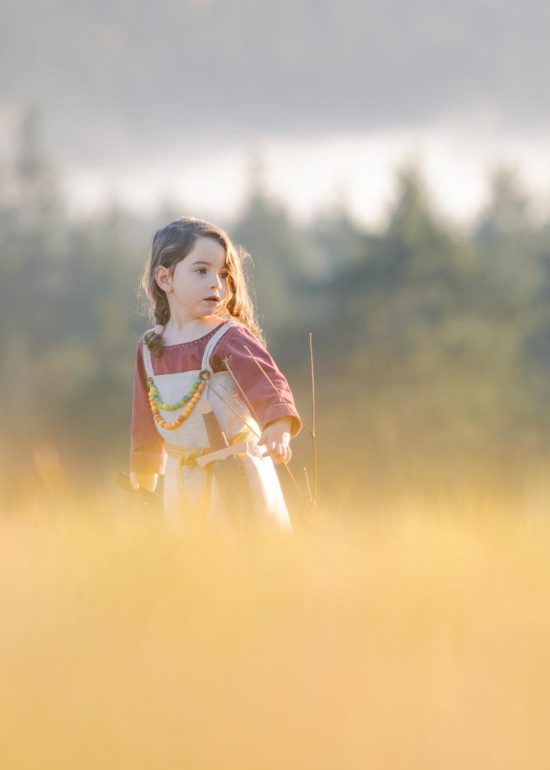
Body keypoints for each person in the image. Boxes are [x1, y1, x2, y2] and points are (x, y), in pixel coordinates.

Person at [129, 216, 301, 530]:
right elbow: (145, 420)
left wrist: (278, 427)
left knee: (246, 557)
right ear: (164, 278)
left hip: (237, 476)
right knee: (197, 567)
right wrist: (143, 477)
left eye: (223, 273)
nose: (216, 283)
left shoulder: (228, 337)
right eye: (201, 271)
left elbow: (268, 383)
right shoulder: (150, 349)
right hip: (183, 483)